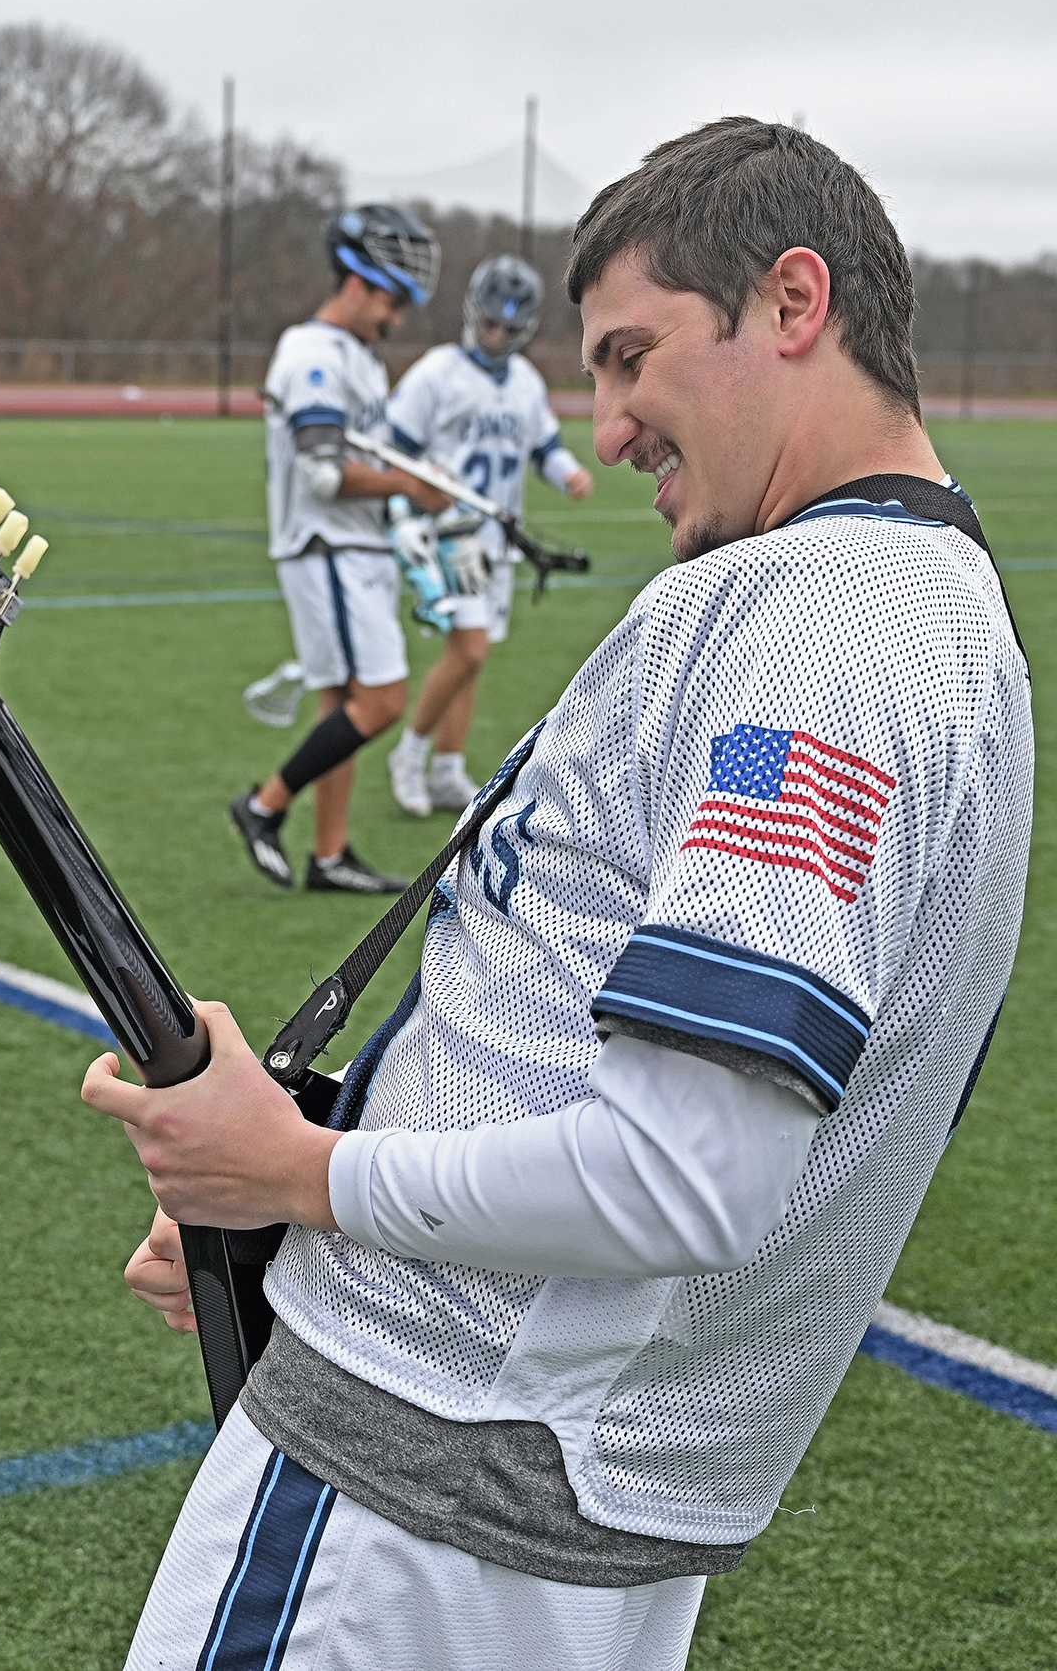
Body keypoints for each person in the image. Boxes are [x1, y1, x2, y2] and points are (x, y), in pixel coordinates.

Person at [89, 118, 1029, 1671]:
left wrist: (301, 1180)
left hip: (431, 1477)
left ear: (794, 306)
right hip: (532, 1484)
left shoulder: (830, 627)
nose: (606, 431)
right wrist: (305, 1176)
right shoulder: (887, 609)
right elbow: (579, 1032)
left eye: (634, 356)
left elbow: (687, 1178)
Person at [228, 204, 452, 894]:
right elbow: (323, 472)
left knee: (341, 706)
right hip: (328, 546)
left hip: (353, 546)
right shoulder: (314, 355)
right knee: (382, 700)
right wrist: (409, 488)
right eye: (392, 301)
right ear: (354, 283)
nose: (397, 318)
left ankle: (329, 856)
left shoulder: (355, 356)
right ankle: (264, 805)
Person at [382, 255, 596, 817]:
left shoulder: (524, 382)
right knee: (469, 648)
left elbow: (543, 448)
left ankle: (448, 766)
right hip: (451, 535)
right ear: (472, 313)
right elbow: (393, 446)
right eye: (489, 323)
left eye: (508, 329)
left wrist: (568, 472)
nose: (495, 336)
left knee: (475, 655)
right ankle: (409, 754)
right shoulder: (438, 373)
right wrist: (409, 513)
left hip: (498, 540)